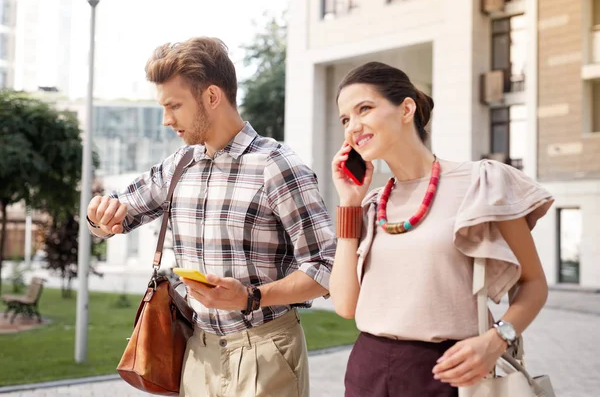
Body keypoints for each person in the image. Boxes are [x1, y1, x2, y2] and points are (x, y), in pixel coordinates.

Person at [86, 37, 336, 397]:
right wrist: (101, 215)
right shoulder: (180, 164)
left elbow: (325, 267)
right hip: (197, 351)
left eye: (174, 106)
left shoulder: (277, 166)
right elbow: (119, 210)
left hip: (266, 350)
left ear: (212, 97)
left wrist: (251, 296)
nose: (166, 120)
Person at [329, 61, 553, 396]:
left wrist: (496, 340)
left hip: (449, 373)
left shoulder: (482, 181)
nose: (353, 127)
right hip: (368, 371)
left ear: (406, 108)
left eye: (365, 108)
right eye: (345, 119)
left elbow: (534, 284)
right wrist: (348, 202)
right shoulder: (371, 204)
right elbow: (346, 306)